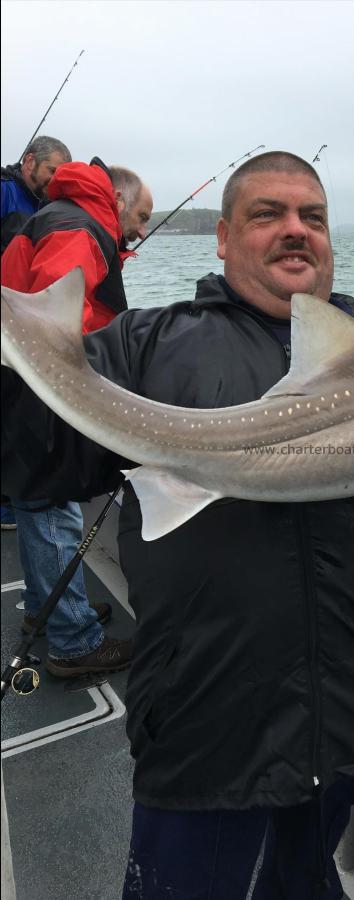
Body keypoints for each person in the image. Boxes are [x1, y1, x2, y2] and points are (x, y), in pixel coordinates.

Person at [1, 151, 354, 899]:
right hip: (206, 734)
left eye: (313, 217)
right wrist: (19, 359)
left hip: (349, 722)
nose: (295, 231)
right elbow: (37, 464)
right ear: (222, 238)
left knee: (304, 884)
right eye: (268, 214)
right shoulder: (145, 346)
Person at [2, 157, 153, 677]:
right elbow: (49, 318)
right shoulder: (79, 226)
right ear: (118, 202)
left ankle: (50, 610)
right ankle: (73, 640)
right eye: (142, 216)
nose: (142, 229)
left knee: (33, 501)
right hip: (36, 388)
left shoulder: (66, 216)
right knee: (51, 501)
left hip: (19, 382)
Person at [1, 135, 72, 528]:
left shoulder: (46, 207)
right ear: (28, 161)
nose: (54, 181)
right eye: (50, 172)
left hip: (20, 328)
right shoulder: (6, 192)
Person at [1, 134, 72, 253]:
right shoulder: (4, 190)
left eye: (62, 174)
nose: (57, 179)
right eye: (52, 171)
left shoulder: (54, 206)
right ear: (30, 161)